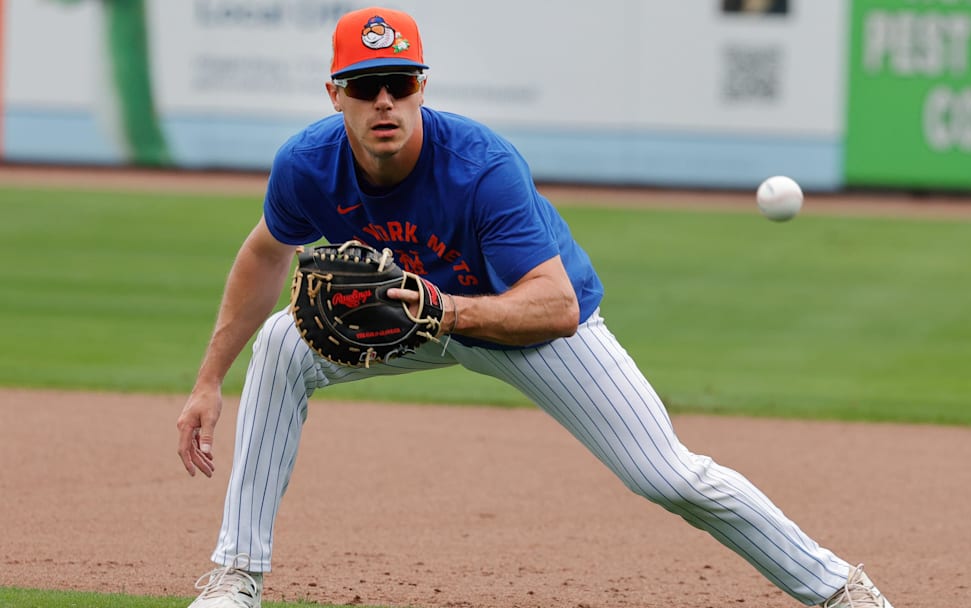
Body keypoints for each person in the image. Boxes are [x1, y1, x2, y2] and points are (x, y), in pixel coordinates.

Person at [175, 7, 895, 608]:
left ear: (422, 86)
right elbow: (265, 252)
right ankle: (238, 573)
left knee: (668, 476)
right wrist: (209, 381)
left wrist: (446, 314)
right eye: (366, 87)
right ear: (335, 95)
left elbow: (552, 306)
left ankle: (840, 592)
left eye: (398, 83)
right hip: (411, 312)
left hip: (528, 321)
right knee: (279, 346)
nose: (384, 102)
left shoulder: (481, 167)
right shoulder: (307, 164)